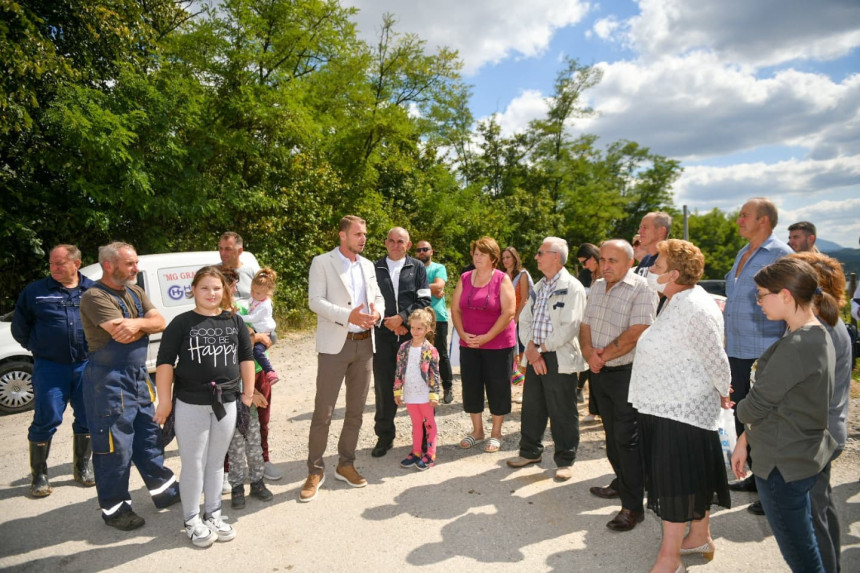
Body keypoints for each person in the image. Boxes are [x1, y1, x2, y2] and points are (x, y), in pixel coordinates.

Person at [627, 239, 732, 572]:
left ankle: (669, 557)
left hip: (679, 409)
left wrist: (723, 389)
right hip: (666, 405)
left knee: (673, 483)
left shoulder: (695, 306)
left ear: (673, 273)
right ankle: (700, 536)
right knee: (691, 477)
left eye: (656, 266)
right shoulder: (675, 300)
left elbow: (716, 355)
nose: (650, 271)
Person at [732, 258, 838, 573]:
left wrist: (738, 409)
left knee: (801, 556)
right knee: (807, 542)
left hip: (782, 464)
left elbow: (756, 405)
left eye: (762, 294)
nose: (758, 301)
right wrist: (745, 436)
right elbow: (780, 402)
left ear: (786, 296)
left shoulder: (797, 344)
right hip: (797, 453)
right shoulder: (814, 333)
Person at [79, 242, 180, 531]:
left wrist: (135, 325)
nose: (136, 268)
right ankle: (115, 509)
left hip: (137, 376)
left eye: (135, 263)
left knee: (149, 436)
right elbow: (119, 334)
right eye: (130, 264)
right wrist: (142, 324)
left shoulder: (135, 291)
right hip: (108, 381)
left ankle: (165, 491)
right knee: (115, 447)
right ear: (109, 265)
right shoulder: (94, 296)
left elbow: (160, 322)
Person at [153, 266, 254, 547]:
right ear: (194, 290)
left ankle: (213, 514)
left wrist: (247, 394)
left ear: (225, 291)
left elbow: (246, 357)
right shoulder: (181, 323)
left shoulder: (234, 321)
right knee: (194, 462)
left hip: (227, 401)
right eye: (205, 288)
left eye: (217, 288)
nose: (211, 293)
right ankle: (192, 520)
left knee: (215, 461)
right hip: (191, 403)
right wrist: (164, 402)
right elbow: (164, 364)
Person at [301, 215, 384, 502]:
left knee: (356, 411)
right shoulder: (322, 262)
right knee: (323, 412)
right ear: (343, 236)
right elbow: (315, 301)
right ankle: (314, 470)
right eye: (358, 234)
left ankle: (345, 464)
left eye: (365, 234)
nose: (363, 238)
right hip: (335, 346)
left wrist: (378, 314)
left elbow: (379, 297)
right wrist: (346, 315)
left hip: (364, 346)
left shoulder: (368, 265)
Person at [580, 239, 657, 532]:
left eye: (613, 261)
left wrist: (603, 356)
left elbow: (637, 331)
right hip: (600, 373)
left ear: (628, 263)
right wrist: (589, 354)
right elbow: (585, 325)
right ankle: (622, 482)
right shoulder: (598, 287)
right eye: (603, 260)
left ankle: (633, 508)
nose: (606, 265)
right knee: (611, 437)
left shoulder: (643, 289)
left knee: (626, 441)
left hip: (626, 373)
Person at [724, 198, 793, 514]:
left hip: (765, 353)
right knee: (744, 416)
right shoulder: (743, 253)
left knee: (767, 423)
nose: (738, 220)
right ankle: (755, 476)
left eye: (744, 215)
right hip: (737, 351)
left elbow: (802, 302)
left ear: (763, 220)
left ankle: (775, 490)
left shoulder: (780, 255)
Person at [12, 244, 96, 497]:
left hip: (86, 365)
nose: (54, 268)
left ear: (77, 264)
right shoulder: (35, 292)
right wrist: (39, 347)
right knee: (46, 418)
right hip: (50, 367)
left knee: (87, 416)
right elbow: (20, 327)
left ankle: (82, 466)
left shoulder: (92, 291)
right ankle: (39, 474)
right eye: (51, 263)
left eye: (60, 263)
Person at [788, 251, 852, 573]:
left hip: (813, 436)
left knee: (811, 520)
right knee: (820, 511)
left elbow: (802, 391)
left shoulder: (817, 330)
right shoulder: (826, 322)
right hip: (823, 430)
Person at [506, 237, 586, 482]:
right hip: (535, 353)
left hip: (558, 356)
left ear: (556, 257)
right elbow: (526, 319)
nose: (537, 257)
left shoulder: (573, 287)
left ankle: (565, 460)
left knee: (562, 410)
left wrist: (539, 348)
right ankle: (530, 452)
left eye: (541, 253)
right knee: (532, 407)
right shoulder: (539, 285)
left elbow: (570, 326)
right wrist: (531, 348)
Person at [451, 236, 516, 454]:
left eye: (482, 254)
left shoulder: (502, 279)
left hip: (498, 344)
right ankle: (477, 431)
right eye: (475, 253)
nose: (477, 257)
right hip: (468, 343)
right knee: (471, 387)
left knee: (498, 387)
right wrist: (461, 333)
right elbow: (456, 309)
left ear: (493, 258)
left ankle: (496, 433)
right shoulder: (465, 277)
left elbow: (509, 312)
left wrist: (487, 337)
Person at [371, 227, 431, 458]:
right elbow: (367, 299)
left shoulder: (417, 267)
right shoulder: (373, 267)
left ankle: (424, 437)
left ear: (408, 244)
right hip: (382, 335)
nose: (396, 245)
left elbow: (424, 298)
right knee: (384, 388)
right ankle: (385, 437)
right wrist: (390, 322)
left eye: (401, 241)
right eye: (392, 241)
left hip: (411, 334)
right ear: (386, 242)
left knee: (417, 384)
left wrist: (403, 319)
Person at [393, 308, 441, 471]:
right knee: (415, 424)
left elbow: (434, 373)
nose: (415, 331)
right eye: (412, 328)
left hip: (425, 394)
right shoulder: (404, 348)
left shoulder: (430, 350)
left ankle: (431, 453)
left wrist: (434, 394)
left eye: (419, 328)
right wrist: (397, 391)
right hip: (410, 393)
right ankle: (416, 452)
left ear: (428, 329)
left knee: (429, 423)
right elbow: (399, 370)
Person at [415, 240, 454, 404]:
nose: (422, 252)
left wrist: (419, 288)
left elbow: (439, 286)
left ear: (432, 251)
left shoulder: (439, 268)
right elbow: (434, 288)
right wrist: (431, 289)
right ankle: (424, 389)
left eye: (425, 249)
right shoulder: (413, 269)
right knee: (420, 355)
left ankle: (448, 388)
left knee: (441, 354)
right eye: (419, 250)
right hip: (418, 318)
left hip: (438, 318)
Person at [240, 267, 280, 385]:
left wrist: (238, 317)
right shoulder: (255, 299)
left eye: (257, 293)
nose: (253, 294)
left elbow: (253, 318)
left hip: (266, 332)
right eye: (252, 290)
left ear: (268, 293)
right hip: (258, 330)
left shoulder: (265, 305)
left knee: (257, 352)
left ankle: (270, 372)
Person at [575, 243, 601, 418]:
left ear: (593, 257)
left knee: (598, 370)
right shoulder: (586, 275)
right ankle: (593, 409)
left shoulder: (608, 272)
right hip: (588, 325)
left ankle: (596, 409)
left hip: (604, 325)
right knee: (591, 365)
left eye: (585, 262)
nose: (583, 267)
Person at [218, 232, 260, 300]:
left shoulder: (253, 273)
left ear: (240, 251)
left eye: (228, 249)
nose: (222, 253)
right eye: (221, 248)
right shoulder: (213, 272)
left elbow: (266, 299)